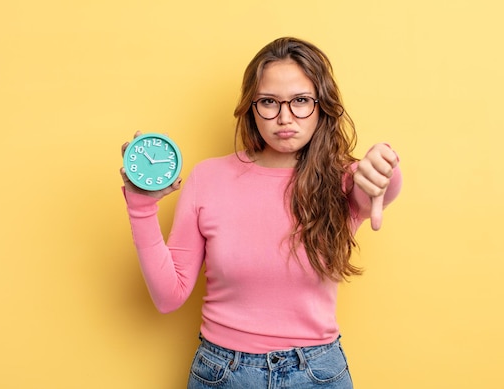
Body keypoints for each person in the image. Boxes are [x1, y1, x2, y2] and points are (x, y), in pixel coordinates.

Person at [120, 37, 402, 388]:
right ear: (252, 107)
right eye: (269, 102)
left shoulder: (345, 179)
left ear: (322, 105)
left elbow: (379, 185)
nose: (284, 118)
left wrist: (384, 163)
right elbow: (168, 296)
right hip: (223, 373)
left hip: (317, 373)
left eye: (300, 101)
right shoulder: (208, 177)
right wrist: (142, 206)